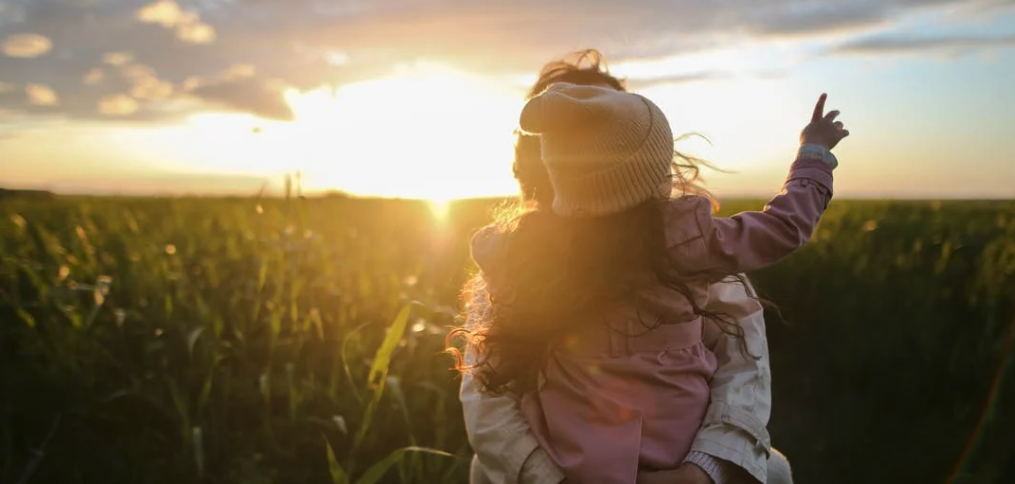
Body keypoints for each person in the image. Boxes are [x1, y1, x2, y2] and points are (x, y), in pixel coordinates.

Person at [451, 50, 848, 484]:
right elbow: (488, 400)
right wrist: (813, 156)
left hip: (675, 465)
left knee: (773, 471)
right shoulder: (688, 242)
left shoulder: (683, 249)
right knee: (485, 471)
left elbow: (743, 366)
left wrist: (702, 471)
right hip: (559, 469)